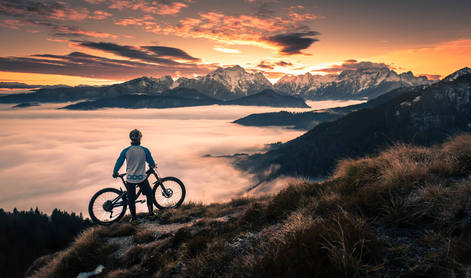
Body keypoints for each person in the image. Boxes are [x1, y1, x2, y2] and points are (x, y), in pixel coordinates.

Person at [113, 129, 157, 225]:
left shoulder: (126, 151)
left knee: (131, 199)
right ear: (140, 138)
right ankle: (151, 214)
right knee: (149, 193)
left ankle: (134, 219)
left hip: (130, 179)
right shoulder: (144, 150)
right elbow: (151, 163)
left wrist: (115, 172)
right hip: (141, 178)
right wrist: (152, 165)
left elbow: (119, 162)